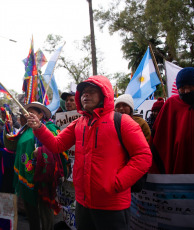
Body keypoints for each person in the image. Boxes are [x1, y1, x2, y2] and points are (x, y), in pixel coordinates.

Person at [27, 75, 152, 230]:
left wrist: (118, 183)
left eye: (92, 91)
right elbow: (57, 145)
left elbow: (143, 156)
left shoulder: (123, 122)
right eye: (84, 92)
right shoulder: (78, 123)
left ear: (104, 94)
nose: (86, 94)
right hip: (83, 204)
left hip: (113, 206)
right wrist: (39, 127)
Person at [13, 102, 68, 230]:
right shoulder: (25, 129)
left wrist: (42, 151)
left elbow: (59, 148)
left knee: (44, 208)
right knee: (30, 209)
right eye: (26, 113)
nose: (27, 115)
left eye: (31, 112)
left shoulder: (50, 128)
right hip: (27, 175)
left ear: (40, 114)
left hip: (43, 177)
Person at [149, 67, 194, 174]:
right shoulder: (171, 104)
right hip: (178, 168)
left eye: (191, 87)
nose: (187, 91)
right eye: (182, 88)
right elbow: (159, 138)